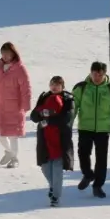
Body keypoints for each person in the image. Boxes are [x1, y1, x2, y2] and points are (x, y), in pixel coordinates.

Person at [72, 61, 110, 198]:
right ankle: (88, 175)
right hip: (85, 127)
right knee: (83, 153)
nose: (97, 77)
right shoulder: (81, 88)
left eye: (100, 74)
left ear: (105, 74)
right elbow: (73, 109)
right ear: (90, 72)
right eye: (95, 74)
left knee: (101, 159)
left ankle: (98, 186)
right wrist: (67, 126)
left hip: (103, 129)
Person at [0, 42, 32, 168]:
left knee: (13, 135)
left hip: (15, 107)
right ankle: (9, 152)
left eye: (8, 54)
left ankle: (15, 159)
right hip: (1, 107)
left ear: (13, 54)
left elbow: (26, 88)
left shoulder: (20, 69)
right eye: (3, 54)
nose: (5, 56)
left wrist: (26, 105)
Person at [30, 75, 73, 207]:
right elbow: (33, 115)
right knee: (45, 167)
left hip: (60, 139)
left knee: (57, 168)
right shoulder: (44, 97)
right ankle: (54, 187)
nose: (54, 87)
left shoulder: (68, 99)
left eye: (57, 85)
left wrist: (46, 119)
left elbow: (66, 119)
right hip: (45, 139)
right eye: (52, 84)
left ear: (62, 86)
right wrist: (41, 115)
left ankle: (55, 196)